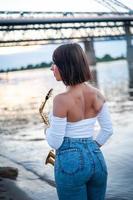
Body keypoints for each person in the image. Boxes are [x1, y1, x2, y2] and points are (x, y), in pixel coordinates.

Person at [45, 43, 113, 200]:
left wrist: (46, 129)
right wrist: (90, 148)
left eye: (54, 63)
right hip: (97, 160)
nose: (51, 68)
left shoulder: (61, 100)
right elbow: (108, 130)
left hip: (71, 163)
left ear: (65, 66)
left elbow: (55, 142)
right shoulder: (97, 95)